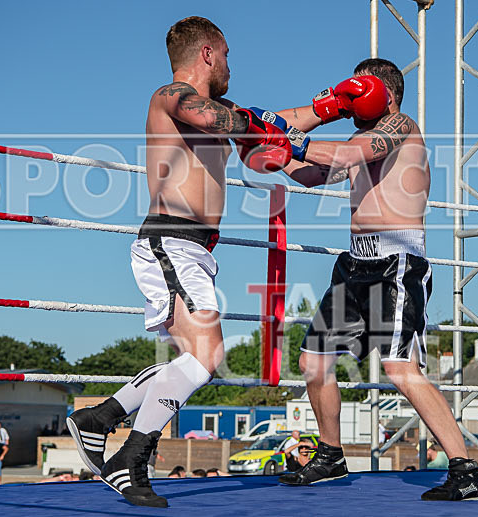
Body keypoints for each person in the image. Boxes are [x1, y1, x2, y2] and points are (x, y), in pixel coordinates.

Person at [65, 16, 291, 508]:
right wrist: (261, 124)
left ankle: (100, 418)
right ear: (208, 52)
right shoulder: (171, 97)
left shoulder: (222, 109)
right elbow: (216, 120)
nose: (230, 64)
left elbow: (278, 121)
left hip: (192, 249)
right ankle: (131, 455)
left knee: (192, 360)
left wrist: (332, 106)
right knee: (206, 357)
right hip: (172, 240)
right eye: (226, 54)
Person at [273, 58, 478, 501]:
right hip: (355, 263)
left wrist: (285, 134)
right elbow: (312, 174)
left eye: (356, 94)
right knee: (313, 361)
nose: (348, 104)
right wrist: (266, 151)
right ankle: (331, 456)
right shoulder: (357, 140)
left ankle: (466, 472)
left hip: (396, 263)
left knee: (400, 368)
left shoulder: (401, 127)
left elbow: (342, 155)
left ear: (383, 94)